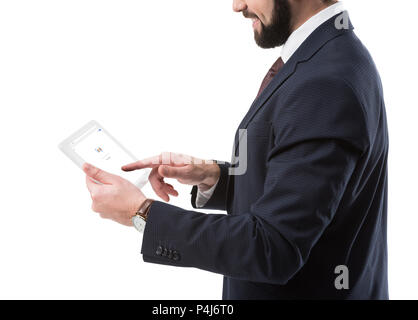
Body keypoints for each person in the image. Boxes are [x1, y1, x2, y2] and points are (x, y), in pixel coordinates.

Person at [82, 0, 389, 299]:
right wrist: (214, 177)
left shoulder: (325, 82)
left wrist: (141, 213)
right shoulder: (333, 53)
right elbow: (309, 197)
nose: (237, 6)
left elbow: (274, 248)